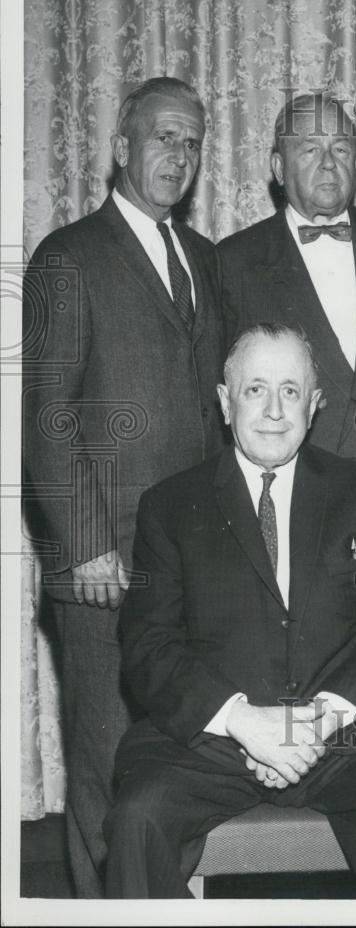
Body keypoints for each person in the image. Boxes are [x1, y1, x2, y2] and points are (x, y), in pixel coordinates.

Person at [104, 324, 356, 899]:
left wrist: (319, 719)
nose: (275, 410)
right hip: (214, 738)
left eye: (291, 390)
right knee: (139, 818)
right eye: (256, 389)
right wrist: (244, 721)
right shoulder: (169, 505)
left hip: (339, 732)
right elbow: (149, 647)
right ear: (225, 402)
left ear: (316, 403)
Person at [22, 77, 226, 897]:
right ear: (120, 149)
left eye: (191, 142)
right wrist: (86, 546)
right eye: (162, 137)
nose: (177, 155)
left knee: (170, 775)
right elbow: (45, 417)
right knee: (106, 770)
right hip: (103, 571)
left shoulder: (204, 259)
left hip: (190, 569)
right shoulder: (68, 256)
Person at [218, 92, 356, 473]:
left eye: (341, 149)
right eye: (310, 150)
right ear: (278, 167)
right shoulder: (235, 260)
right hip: (299, 479)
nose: (328, 164)